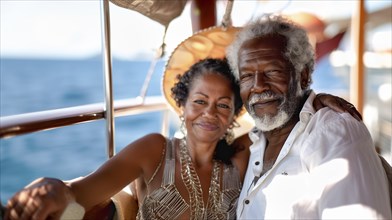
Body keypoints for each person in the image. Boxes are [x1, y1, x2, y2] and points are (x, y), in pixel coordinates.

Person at [3, 57, 361, 220]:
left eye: (223, 105)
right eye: (200, 102)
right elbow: (81, 191)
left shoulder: (242, 155)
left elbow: (287, 121)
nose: (210, 113)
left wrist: (312, 102)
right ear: (182, 106)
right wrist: (53, 187)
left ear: (235, 114)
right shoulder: (154, 149)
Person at [226, 14, 391, 219]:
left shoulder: (332, 133)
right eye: (247, 76)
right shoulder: (252, 145)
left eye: (273, 71)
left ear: (302, 76)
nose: (258, 86)